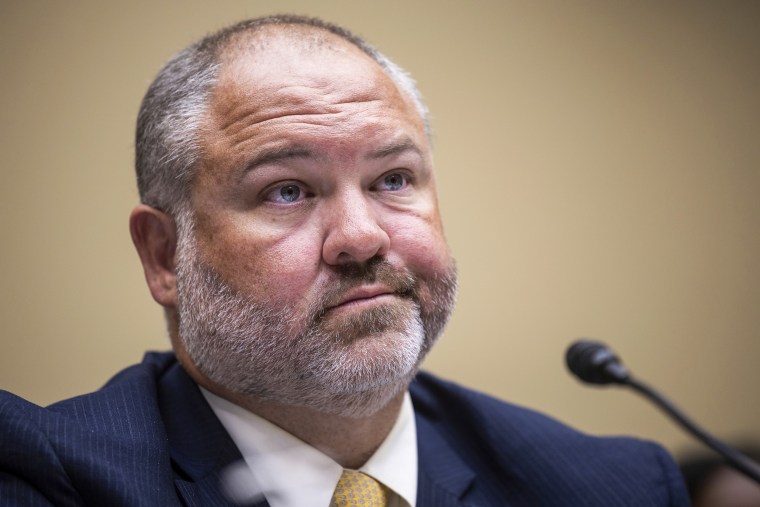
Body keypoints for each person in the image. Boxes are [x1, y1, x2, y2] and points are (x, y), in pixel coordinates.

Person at [0, 15, 689, 506]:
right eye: (287, 190)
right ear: (162, 255)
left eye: (393, 179)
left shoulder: (613, 484)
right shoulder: (49, 480)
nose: (360, 237)